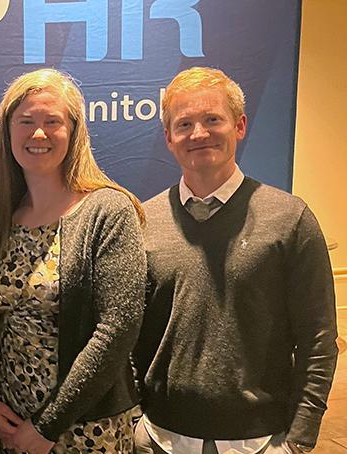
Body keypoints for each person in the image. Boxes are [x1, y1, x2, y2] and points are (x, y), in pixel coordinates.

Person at [133, 67, 338, 454]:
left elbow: (318, 338)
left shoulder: (289, 219)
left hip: (261, 441)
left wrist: (300, 438)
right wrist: (134, 421)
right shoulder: (144, 221)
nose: (198, 133)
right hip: (159, 439)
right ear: (168, 138)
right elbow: (130, 334)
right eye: (185, 123)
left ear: (240, 125)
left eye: (213, 119)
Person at [0, 68, 147, 454]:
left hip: (83, 429)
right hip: (10, 426)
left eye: (53, 121)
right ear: (8, 132)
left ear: (74, 131)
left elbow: (117, 330)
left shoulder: (107, 210)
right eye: (26, 122)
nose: (39, 133)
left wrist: (47, 427)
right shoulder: (2, 215)